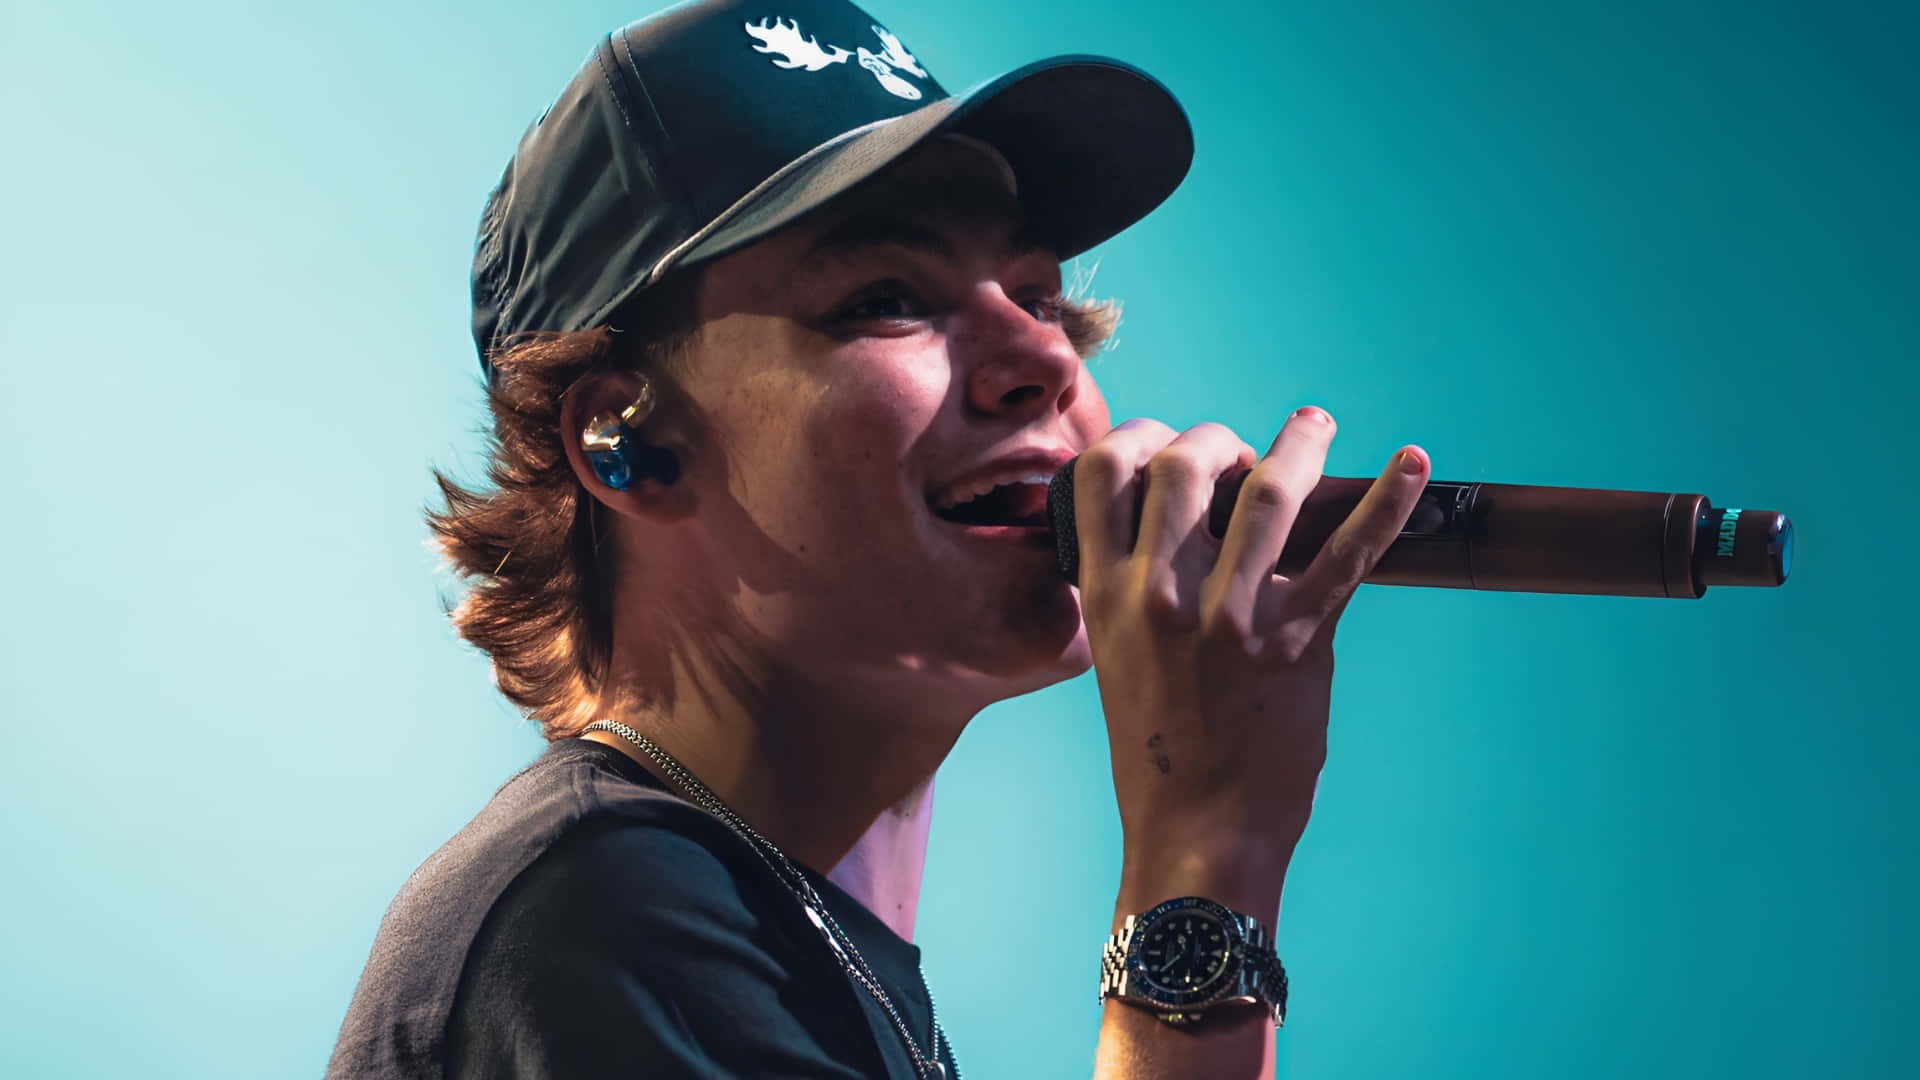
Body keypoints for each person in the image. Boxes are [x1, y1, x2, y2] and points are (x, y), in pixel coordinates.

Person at [326, 1, 1430, 1077]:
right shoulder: (607, 916)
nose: (1045, 358)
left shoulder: (755, 925)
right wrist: (1204, 848)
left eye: (1039, 295)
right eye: (887, 297)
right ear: (630, 444)